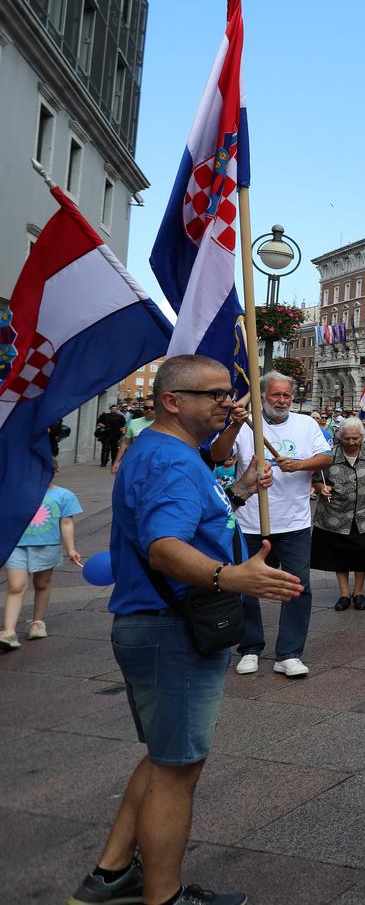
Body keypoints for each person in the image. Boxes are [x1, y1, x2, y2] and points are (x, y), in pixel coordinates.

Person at [68, 355, 294, 905]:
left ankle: (112, 872)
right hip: (172, 628)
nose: (228, 402)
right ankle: (162, 897)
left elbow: (190, 520)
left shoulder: (168, 452)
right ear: (172, 401)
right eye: (214, 394)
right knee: (177, 771)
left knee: (163, 757)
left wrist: (236, 492)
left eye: (228, 392)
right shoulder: (171, 460)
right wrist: (229, 575)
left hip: (156, 624)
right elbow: (165, 546)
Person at [210, 372, 333, 679]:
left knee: (296, 587)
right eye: (275, 395)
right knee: (243, 587)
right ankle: (250, 647)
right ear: (263, 396)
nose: (281, 401)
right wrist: (236, 423)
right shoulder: (247, 424)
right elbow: (217, 455)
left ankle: (289, 653)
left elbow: (327, 457)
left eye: (286, 396)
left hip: (293, 522)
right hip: (250, 522)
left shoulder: (306, 425)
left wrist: (299, 465)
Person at [312, 418, 365, 612]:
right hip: (336, 513)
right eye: (347, 439)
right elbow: (317, 480)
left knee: (362, 553)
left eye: (356, 438)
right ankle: (344, 594)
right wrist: (322, 488)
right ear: (340, 437)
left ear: (362, 436)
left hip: (364, 513)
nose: (352, 442)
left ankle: (359, 592)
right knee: (340, 554)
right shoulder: (329, 456)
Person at [2, 469, 83, 649]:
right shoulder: (15, 492)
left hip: (48, 546)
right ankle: (9, 631)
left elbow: (67, 522)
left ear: (55, 471)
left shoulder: (64, 495)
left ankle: (37, 623)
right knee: (16, 586)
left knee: (42, 584)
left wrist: (71, 548)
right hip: (17, 546)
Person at [112, 400, 155, 473]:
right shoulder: (133, 423)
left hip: (157, 462)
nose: (149, 410)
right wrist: (116, 462)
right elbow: (124, 444)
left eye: (152, 408)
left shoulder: (164, 423)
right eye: (146, 408)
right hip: (137, 461)